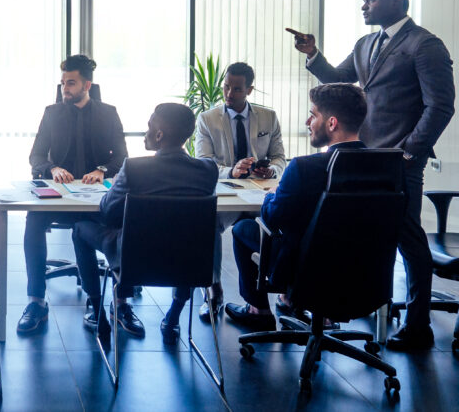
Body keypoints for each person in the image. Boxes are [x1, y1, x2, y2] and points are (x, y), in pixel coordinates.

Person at [290, 0, 455, 350]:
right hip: (361, 157)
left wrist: (409, 151)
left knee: (409, 240)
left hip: (400, 162)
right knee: (358, 233)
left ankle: (418, 326)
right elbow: (338, 80)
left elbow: (441, 105)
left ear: (398, 1)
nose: (364, 5)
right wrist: (313, 55)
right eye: (364, 0)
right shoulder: (366, 43)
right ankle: (358, 303)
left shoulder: (424, 45)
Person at [224, 84, 368, 331]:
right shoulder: (386, 166)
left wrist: (273, 194)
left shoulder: (304, 168)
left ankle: (258, 309)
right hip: (364, 273)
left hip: (304, 270)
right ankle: (308, 308)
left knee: (242, 228)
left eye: (313, 114)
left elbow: (272, 217)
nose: (307, 121)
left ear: (332, 123)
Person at [72, 103, 218, 343]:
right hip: (188, 264)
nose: (146, 131)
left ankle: (99, 315)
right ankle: (172, 319)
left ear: (159, 135)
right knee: (185, 241)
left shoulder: (135, 168)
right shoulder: (208, 170)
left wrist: (118, 182)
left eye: (150, 126)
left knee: (80, 229)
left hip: (136, 262)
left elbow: (107, 212)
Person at [19, 54, 128, 335]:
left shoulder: (108, 113)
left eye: (71, 83)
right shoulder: (52, 113)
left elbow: (123, 158)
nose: (64, 88)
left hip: (97, 199)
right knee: (33, 222)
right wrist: (52, 168)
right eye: (62, 83)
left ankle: (117, 302)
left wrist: (103, 170)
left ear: (87, 85)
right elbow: (36, 156)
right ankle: (36, 301)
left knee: (124, 219)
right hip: (61, 194)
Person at [194, 61, 287, 322]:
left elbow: (280, 157)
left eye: (236, 89)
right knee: (208, 221)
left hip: (260, 193)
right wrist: (231, 171)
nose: (228, 94)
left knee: (270, 226)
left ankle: (282, 295)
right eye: (226, 87)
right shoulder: (207, 119)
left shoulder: (268, 117)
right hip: (227, 191)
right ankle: (213, 290)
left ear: (249, 90)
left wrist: (272, 171)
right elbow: (204, 162)